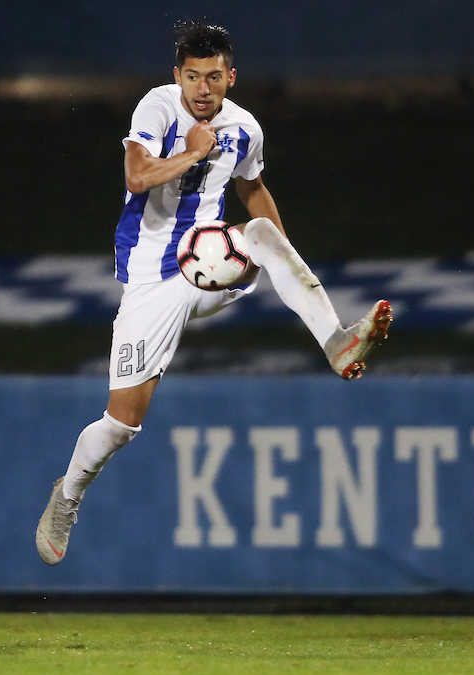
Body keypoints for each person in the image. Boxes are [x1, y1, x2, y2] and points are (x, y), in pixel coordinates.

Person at [35, 21, 392, 565]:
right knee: (122, 424)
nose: (203, 89)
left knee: (261, 235)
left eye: (214, 77)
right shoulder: (157, 108)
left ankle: (335, 341)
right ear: (177, 75)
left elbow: (252, 188)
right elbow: (136, 177)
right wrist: (193, 154)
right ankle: (68, 494)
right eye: (193, 77)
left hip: (210, 265)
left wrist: (285, 262)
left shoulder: (246, 128)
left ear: (231, 78)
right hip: (151, 280)